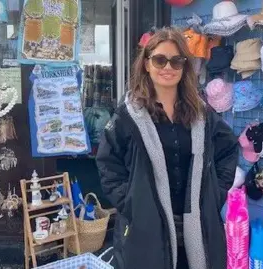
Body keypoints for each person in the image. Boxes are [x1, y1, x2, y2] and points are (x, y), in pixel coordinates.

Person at [96, 27, 239, 269]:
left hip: (197, 225)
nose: (168, 68)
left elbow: (228, 149)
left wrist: (216, 192)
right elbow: (108, 164)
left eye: (177, 61)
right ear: (146, 64)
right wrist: (132, 202)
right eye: (160, 60)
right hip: (147, 227)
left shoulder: (201, 114)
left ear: (184, 67)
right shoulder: (128, 116)